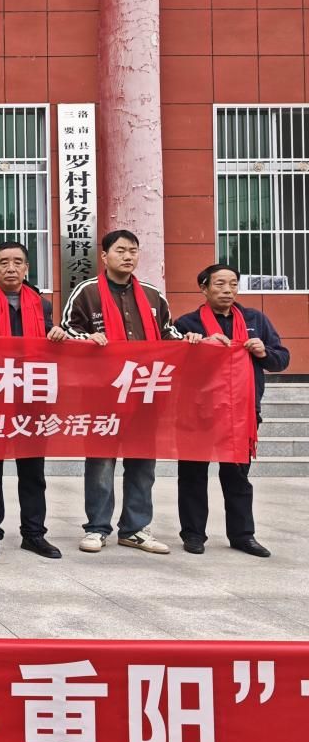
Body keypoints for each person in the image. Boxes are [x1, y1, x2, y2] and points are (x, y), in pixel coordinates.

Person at [64, 228, 181, 555]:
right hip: (102, 395)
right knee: (101, 463)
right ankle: (97, 528)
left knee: (143, 464)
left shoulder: (153, 295)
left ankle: (135, 529)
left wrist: (192, 341)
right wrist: (86, 338)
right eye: (120, 250)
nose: (128, 256)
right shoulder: (87, 292)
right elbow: (67, 329)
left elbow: (168, 334)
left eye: (133, 250)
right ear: (104, 256)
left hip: (145, 392)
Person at [0, 241, 68, 559]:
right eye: (4, 262)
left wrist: (55, 334)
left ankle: (33, 534)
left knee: (33, 469)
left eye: (18, 262)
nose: (11, 267)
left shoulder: (41, 304)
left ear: (27, 268)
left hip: (31, 395)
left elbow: (46, 339)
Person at [174, 264, 290, 557]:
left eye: (233, 284)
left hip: (241, 412)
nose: (227, 290)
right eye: (220, 284)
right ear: (203, 288)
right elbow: (171, 363)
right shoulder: (187, 323)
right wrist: (191, 346)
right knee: (193, 475)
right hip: (197, 412)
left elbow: (281, 359)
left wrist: (264, 351)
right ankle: (193, 534)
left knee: (237, 476)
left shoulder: (255, 320)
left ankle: (242, 535)